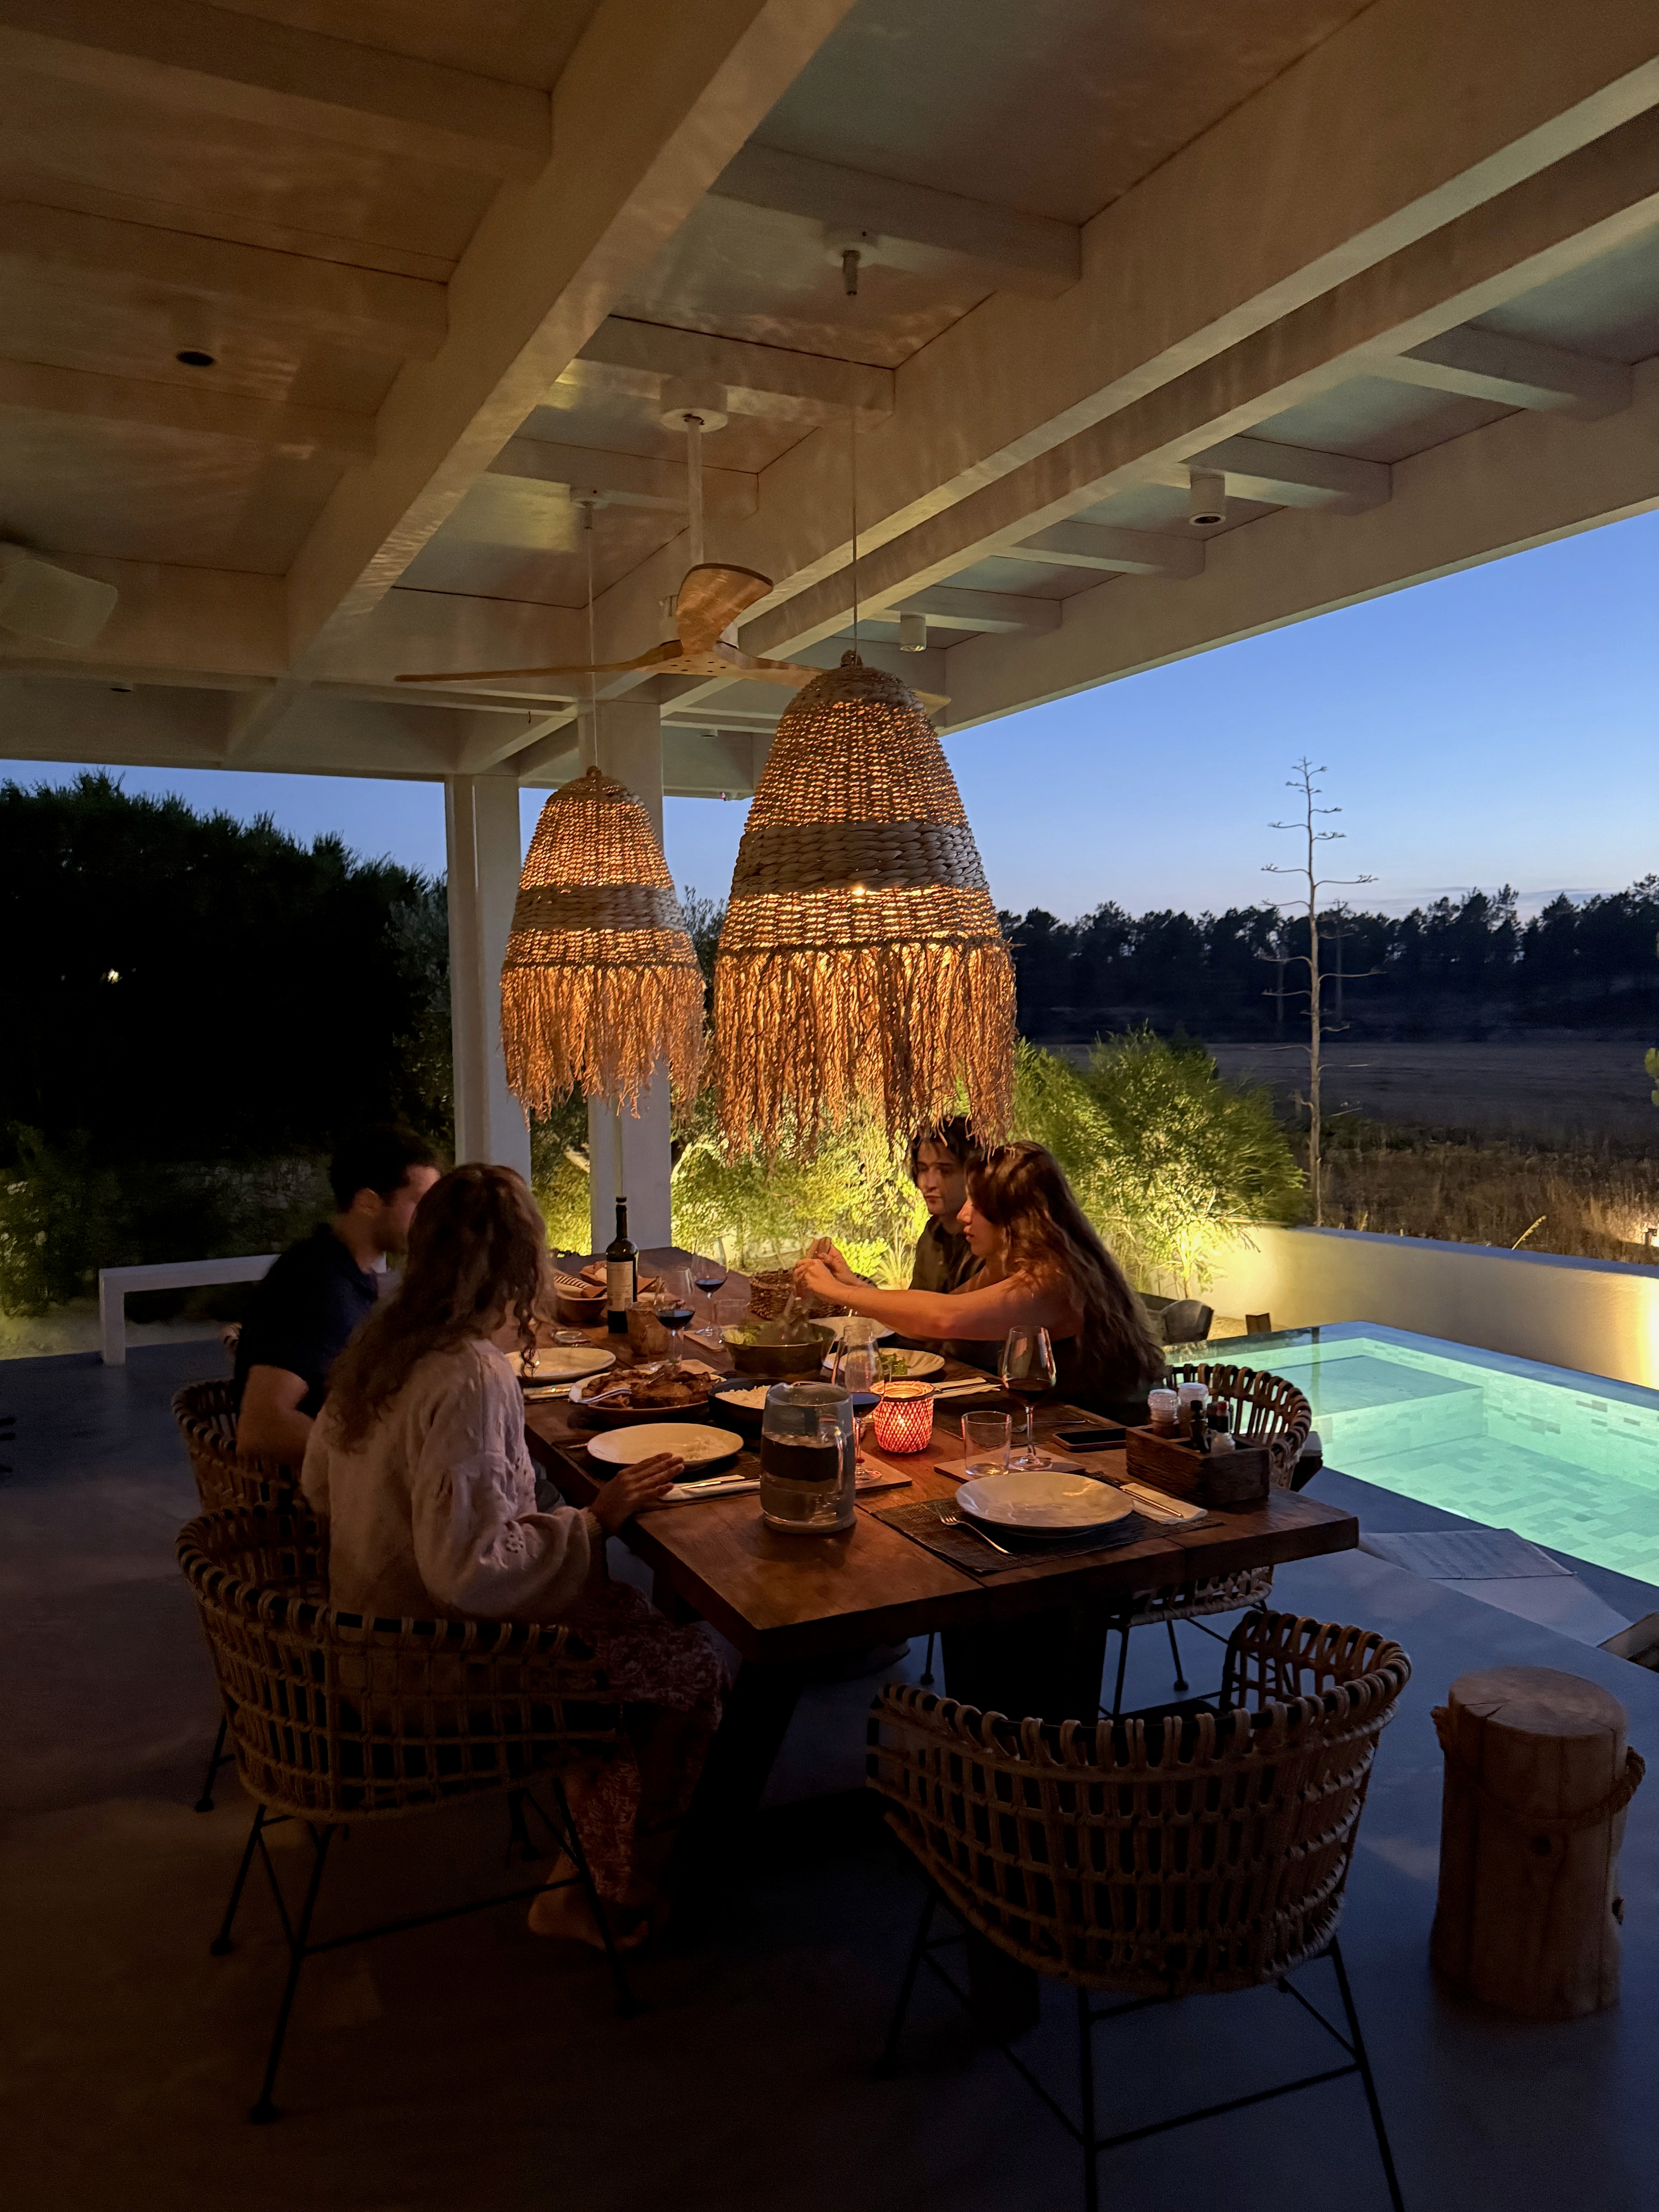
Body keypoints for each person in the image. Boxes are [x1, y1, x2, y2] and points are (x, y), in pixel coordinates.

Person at [300, 1161, 723, 1949]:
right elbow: (471, 1573)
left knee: (624, 1622)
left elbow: (318, 1487)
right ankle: (579, 1889)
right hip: (431, 1671)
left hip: (360, 1640)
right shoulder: (467, 1375)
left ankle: (590, 1831)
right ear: (523, 1266)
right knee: (685, 1669)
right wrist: (595, 1520)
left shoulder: (380, 1346)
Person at [798, 1140, 1164, 1418]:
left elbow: (946, 1318)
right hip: (1056, 1424)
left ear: (1012, 1216)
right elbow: (931, 1323)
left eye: (977, 1203)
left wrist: (833, 1291)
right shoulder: (1012, 1264)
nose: (964, 1213)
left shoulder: (1055, 1278)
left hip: (1105, 1439)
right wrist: (850, 1286)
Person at [234, 1125, 441, 1465]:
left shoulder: (345, 1270)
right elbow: (261, 1429)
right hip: (316, 1503)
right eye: (419, 1203)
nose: (430, 1220)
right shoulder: (316, 1286)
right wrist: (384, 1464)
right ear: (368, 1203)